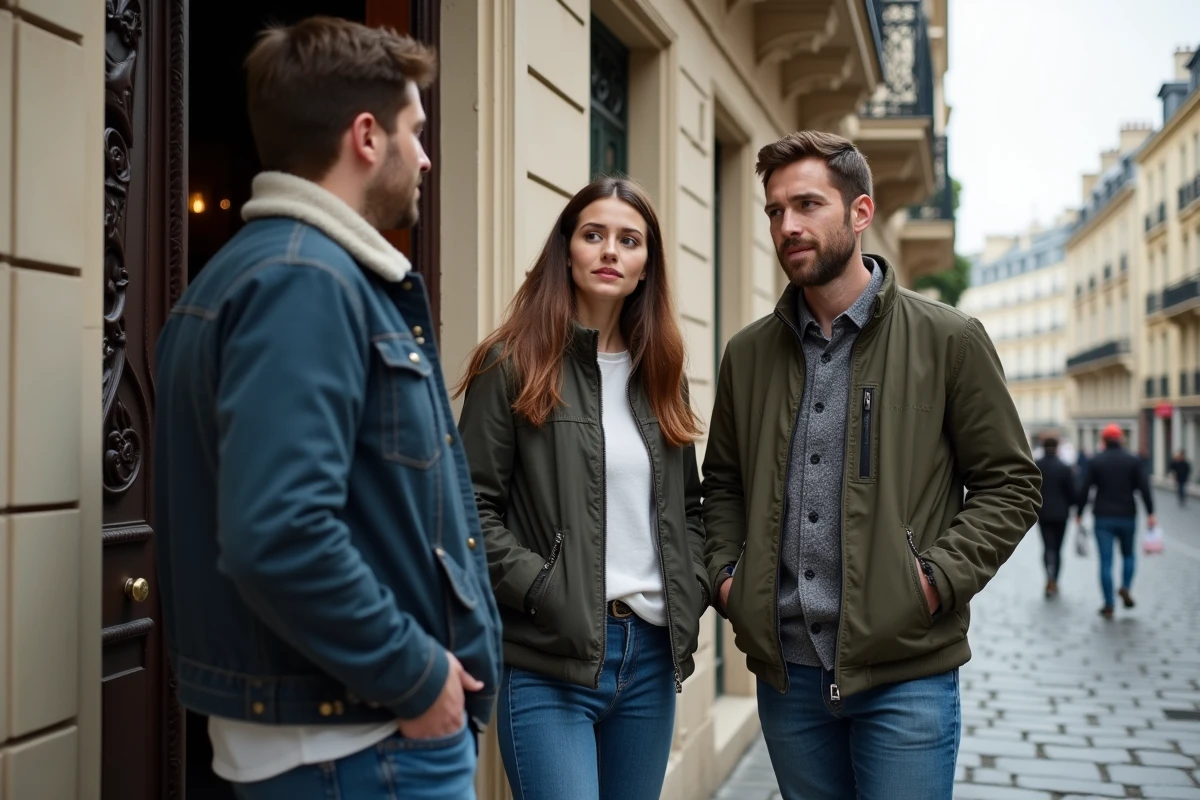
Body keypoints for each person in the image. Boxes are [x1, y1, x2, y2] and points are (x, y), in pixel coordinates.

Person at [153, 18, 500, 800]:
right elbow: (279, 533)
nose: (425, 156)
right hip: (362, 751)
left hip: (349, 745)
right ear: (366, 136)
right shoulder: (303, 282)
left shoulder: (265, 273)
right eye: (414, 130)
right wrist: (417, 676)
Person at [701, 131, 1041, 800]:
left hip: (906, 675)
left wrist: (933, 581)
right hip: (789, 679)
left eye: (807, 204)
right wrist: (729, 583)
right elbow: (724, 485)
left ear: (860, 212)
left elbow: (1011, 483)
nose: (787, 226)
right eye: (775, 210)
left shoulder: (949, 339)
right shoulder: (747, 354)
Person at [456, 176, 711, 800]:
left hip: (650, 658)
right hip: (548, 660)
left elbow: (689, 508)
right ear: (566, 249)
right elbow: (467, 509)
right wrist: (544, 589)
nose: (610, 251)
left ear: (646, 265)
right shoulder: (511, 363)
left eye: (630, 240)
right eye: (593, 235)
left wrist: (694, 584)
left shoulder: (662, 372)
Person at [1077, 424, 1156, 619]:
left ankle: (1109, 604)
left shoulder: (1096, 461)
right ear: (1121, 439)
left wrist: (1079, 512)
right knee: (1128, 555)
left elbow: (1085, 488)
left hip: (1103, 516)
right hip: (1127, 514)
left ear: (1103, 440)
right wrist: (1151, 513)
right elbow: (1144, 488)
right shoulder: (1133, 460)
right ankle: (1126, 587)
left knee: (1106, 561)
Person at [1034, 437, 1079, 598]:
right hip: (1061, 514)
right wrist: (1075, 507)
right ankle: (1055, 580)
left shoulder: (1037, 466)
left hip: (1043, 513)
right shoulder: (1064, 467)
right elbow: (1072, 493)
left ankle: (1048, 576)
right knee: (1058, 549)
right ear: (1057, 447)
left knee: (1047, 547)